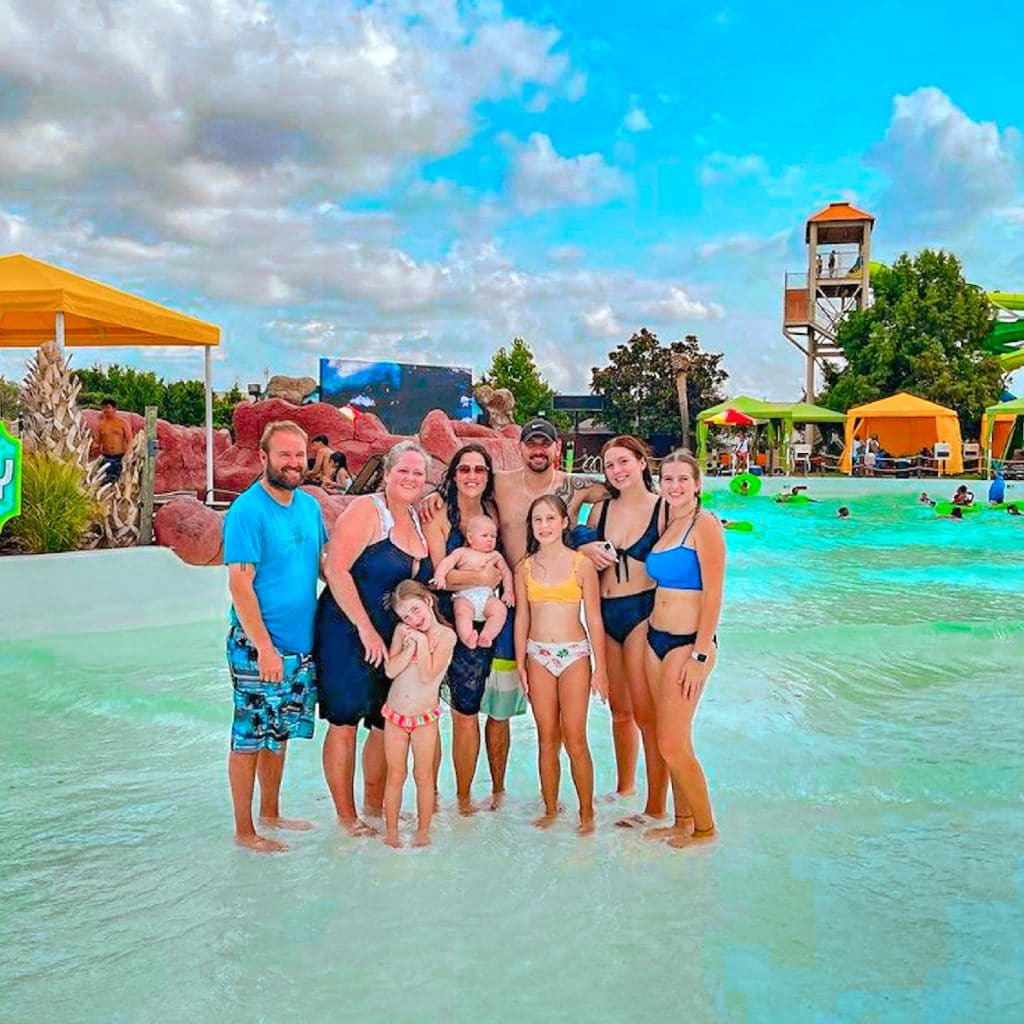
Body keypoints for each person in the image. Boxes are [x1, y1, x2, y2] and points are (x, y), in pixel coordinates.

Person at [421, 418, 607, 808]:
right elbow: (439, 570)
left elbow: (619, 488)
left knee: (500, 709)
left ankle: (499, 792)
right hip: (465, 612)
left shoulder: (569, 484)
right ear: (520, 448)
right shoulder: (499, 485)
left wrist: (588, 541)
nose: (538, 451)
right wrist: (430, 495)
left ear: (557, 448)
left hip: (513, 612)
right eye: (531, 444)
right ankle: (461, 798)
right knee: (462, 708)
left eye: (545, 444)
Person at [315, 440, 433, 836]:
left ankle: (374, 805)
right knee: (344, 721)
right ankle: (347, 817)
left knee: (384, 723)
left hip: (391, 640)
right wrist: (365, 628)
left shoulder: (417, 518)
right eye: (404, 470)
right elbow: (336, 569)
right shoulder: (368, 510)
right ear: (387, 473)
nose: (411, 478)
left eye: (418, 473)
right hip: (347, 630)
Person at [223, 421, 328, 853]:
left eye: (298, 455)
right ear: (263, 458)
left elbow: (322, 566)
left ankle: (271, 812)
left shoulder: (309, 507)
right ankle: (245, 831)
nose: (292, 462)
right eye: (283, 454)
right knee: (249, 735)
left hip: (299, 645)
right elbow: (239, 585)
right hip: (257, 646)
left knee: (278, 732)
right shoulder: (247, 511)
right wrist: (265, 648)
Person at [576, 436, 668, 826]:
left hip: (643, 612)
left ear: (642, 462)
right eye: (610, 464)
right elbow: (570, 539)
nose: (617, 470)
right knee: (619, 710)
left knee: (647, 712)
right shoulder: (601, 510)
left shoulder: (663, 508)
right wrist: (583, 548)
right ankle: (625, 788)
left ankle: (655, 806)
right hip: (606, 611)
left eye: (624, 461)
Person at [643, 450, 725, 849]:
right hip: (654, 640)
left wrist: (700, 653)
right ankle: (682, 821)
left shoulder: (704, 524)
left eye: (681, 479)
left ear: (697, 484)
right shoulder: (667, 523)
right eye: (667, 479)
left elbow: (713, 594)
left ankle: (706, 830)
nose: (673, 486)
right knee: (667, 739)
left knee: (673, 744)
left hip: (686, 645)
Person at [514, 495, 608, 834]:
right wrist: (521, 664)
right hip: (537, 654)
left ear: (565, 522)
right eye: (538, 520)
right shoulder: (523, 567)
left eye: (551, 518)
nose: (544, 526)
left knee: (575, 737)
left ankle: (587, 814)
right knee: (546, 737)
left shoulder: (581, 564)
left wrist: (602, 670)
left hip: (575, 655)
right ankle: (551, 809)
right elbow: (522, 618)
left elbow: (594, 619)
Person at [422, 443, 502, 812]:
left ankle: (473, 795)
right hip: (446, 617)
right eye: (464, 469)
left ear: (488, 476)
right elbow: (442, 576)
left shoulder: (494, 510)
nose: (472, 476)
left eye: (479, 470)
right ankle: (446, 796)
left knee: (483, 711)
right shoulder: (438, 510)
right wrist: (481, 574)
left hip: (491, 618)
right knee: (453, 712)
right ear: (453, 474)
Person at [382, 581, 456, 849]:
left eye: (415, 610)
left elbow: (428, 675)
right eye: (405, 616)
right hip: (395, 715)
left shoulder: (446, 637)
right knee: (395, 775)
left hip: (425, 718)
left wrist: (422, 643)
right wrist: (409, 646)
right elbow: (391, 670)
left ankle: (423, 830)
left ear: (428, 600)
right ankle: (391, 831)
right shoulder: (404, 631)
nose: (413, 619)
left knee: (423, 776)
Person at [431, 514, 514, 649]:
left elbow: (506, 573)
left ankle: (487, 635)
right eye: (485, 535)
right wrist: (439, 575)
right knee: (462, 613)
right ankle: (468, 637)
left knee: (500, 610)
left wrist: (509, 592)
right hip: (465, 595)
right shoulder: (462, 552)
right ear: (470, 538)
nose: (490, 540)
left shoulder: (495, 555)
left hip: (488, 596)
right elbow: (447, 562)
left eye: (493, 537)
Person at [97, 397, 132, 483]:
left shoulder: (122, 423)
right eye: (103, 408)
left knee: (118, 482)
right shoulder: (101, 425)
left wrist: (127, 455)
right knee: (106, 482)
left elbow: (130, 440)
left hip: (120, 457)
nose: (105, 410)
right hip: (106, 457)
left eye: (108, 407)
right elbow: (97, 442)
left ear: (115, 408)